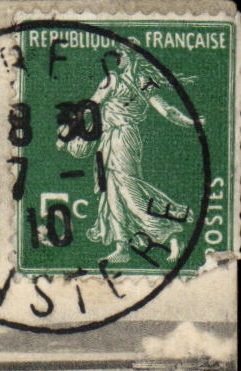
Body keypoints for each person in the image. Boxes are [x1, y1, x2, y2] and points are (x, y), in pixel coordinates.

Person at [60, 48, 199, 265]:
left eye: (121, 55)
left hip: (123, 138)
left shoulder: (134, 82)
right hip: (108, 139)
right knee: (111, 192)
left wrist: (191, 122)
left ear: (132, 57)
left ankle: (171, 232)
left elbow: (166, 110)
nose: (117, 59)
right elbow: (89, 108)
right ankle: (121, 246)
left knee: (128, 190)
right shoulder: (123, 81)